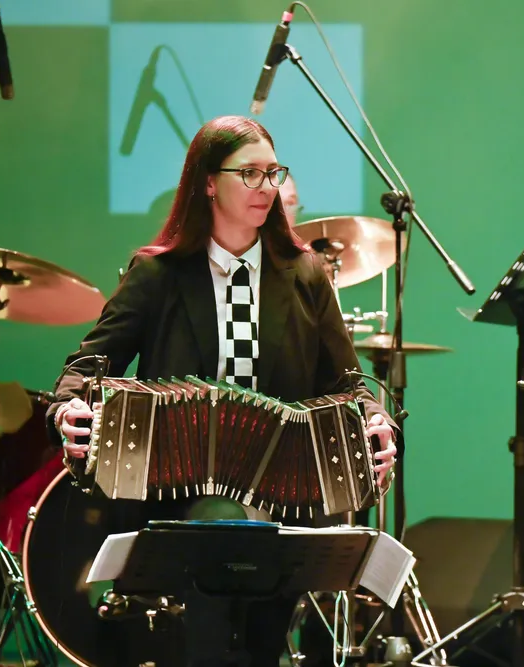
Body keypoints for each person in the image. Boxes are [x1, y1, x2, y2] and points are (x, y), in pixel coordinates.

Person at [47, 115, 398, 667]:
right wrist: (69, 409)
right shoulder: (157, 274)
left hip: (287, 497)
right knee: (211, 606)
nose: (269, 188)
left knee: (260, 633)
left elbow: (349, 386)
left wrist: (376, 422)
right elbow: (86, 367)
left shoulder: (305, 275)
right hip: (179, 503)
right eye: (251, 174)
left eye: (273, 174)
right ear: (209, 182)